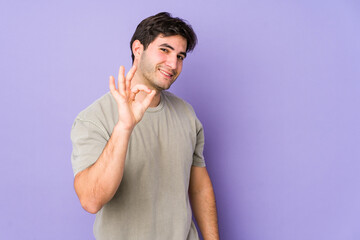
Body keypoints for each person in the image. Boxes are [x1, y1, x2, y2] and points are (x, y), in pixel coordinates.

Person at [71, 12, 219, 240]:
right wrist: (124, 127)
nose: (173, 64)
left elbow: (199, 188)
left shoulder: (187, 114)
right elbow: (91, 201)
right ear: (138, 49)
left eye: (180, 56)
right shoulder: (93, 118)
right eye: (165, 50)